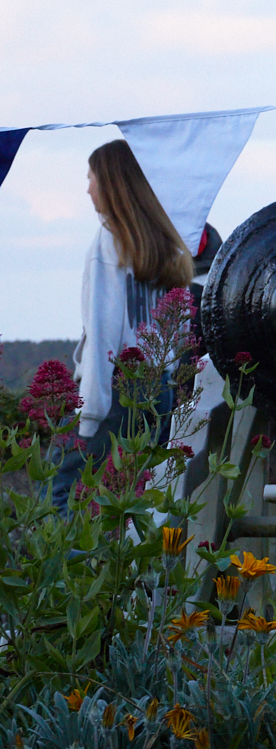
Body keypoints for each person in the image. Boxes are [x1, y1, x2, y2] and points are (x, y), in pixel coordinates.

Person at [54, 140, 194, 511]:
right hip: (158, 390)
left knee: (61, 491)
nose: (87, 188)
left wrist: (89, 416)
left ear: (112, 183)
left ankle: (68, 571)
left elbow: (103, 337)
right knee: (128, 501)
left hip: (118, 390)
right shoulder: (166, 246)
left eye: (91, 177)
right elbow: (176, 339)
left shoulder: (109, 244)